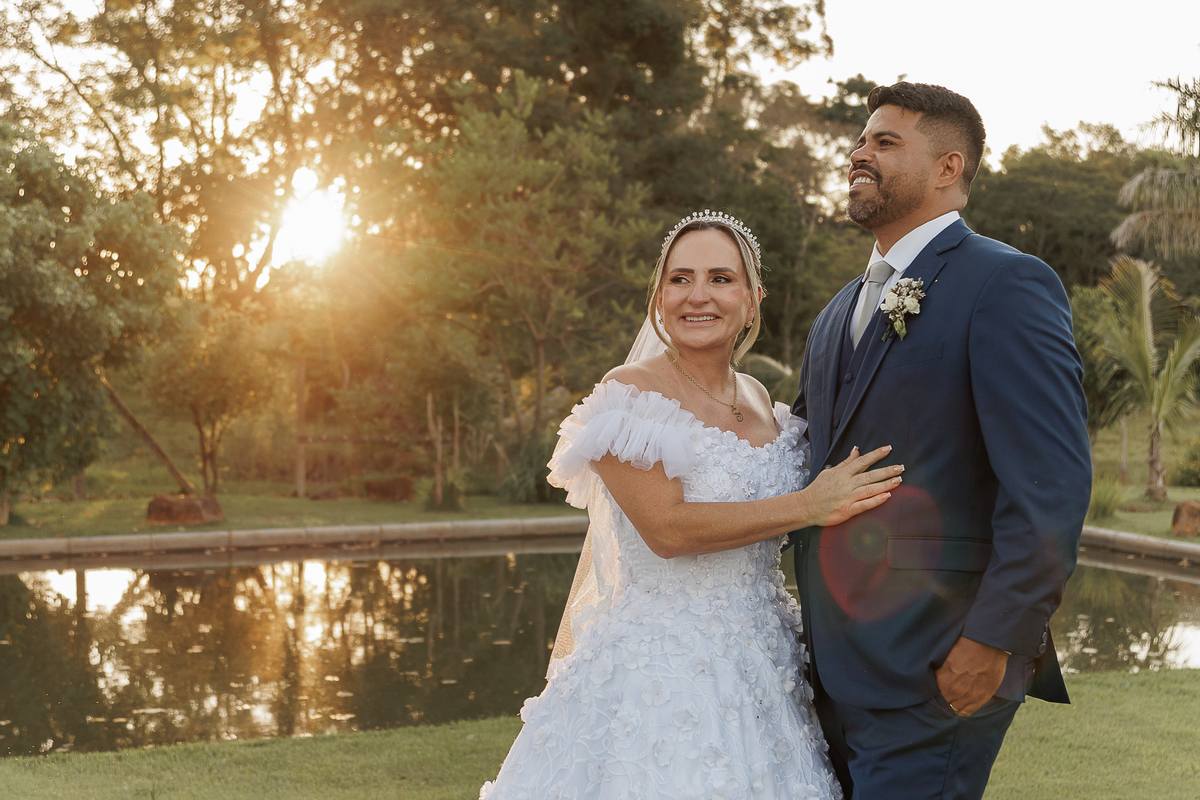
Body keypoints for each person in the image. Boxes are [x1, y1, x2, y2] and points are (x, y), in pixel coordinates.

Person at [479, 211, 904, 799]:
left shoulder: (760, 399)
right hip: (658, 672)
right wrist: (808, 505)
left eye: (720, 279)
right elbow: (668, 530)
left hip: (765, 665)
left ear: (753, 300)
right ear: (659, 297)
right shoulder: (630, 394)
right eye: (680, 279)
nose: (697, 295)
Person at [791, 82, 1092, 800]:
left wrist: (994, 640)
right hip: (832, 671)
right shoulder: (838, 311)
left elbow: (1049, 487)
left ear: (949, 167)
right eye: (862, 140)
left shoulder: (1007, 283)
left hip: (940, 665)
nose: (860, 153)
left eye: (885, 142)